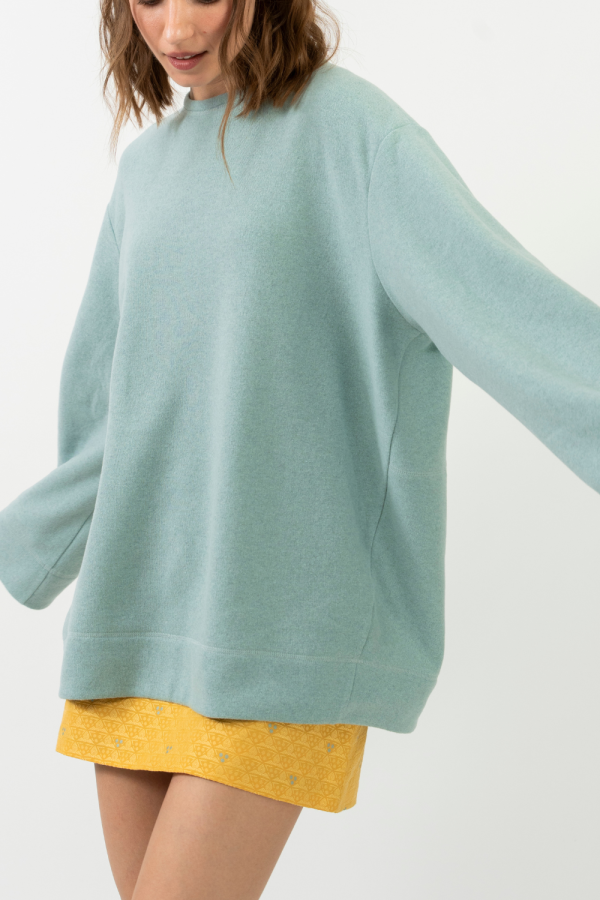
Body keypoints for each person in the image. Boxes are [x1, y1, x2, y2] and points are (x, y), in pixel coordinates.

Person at [0, 1, 598, 899]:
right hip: (133, 620)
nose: (174, 31)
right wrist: (25, 549)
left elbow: (511, 311)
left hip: (277, 627)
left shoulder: (357, 138)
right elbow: (115, 418)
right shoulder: (146, 173)